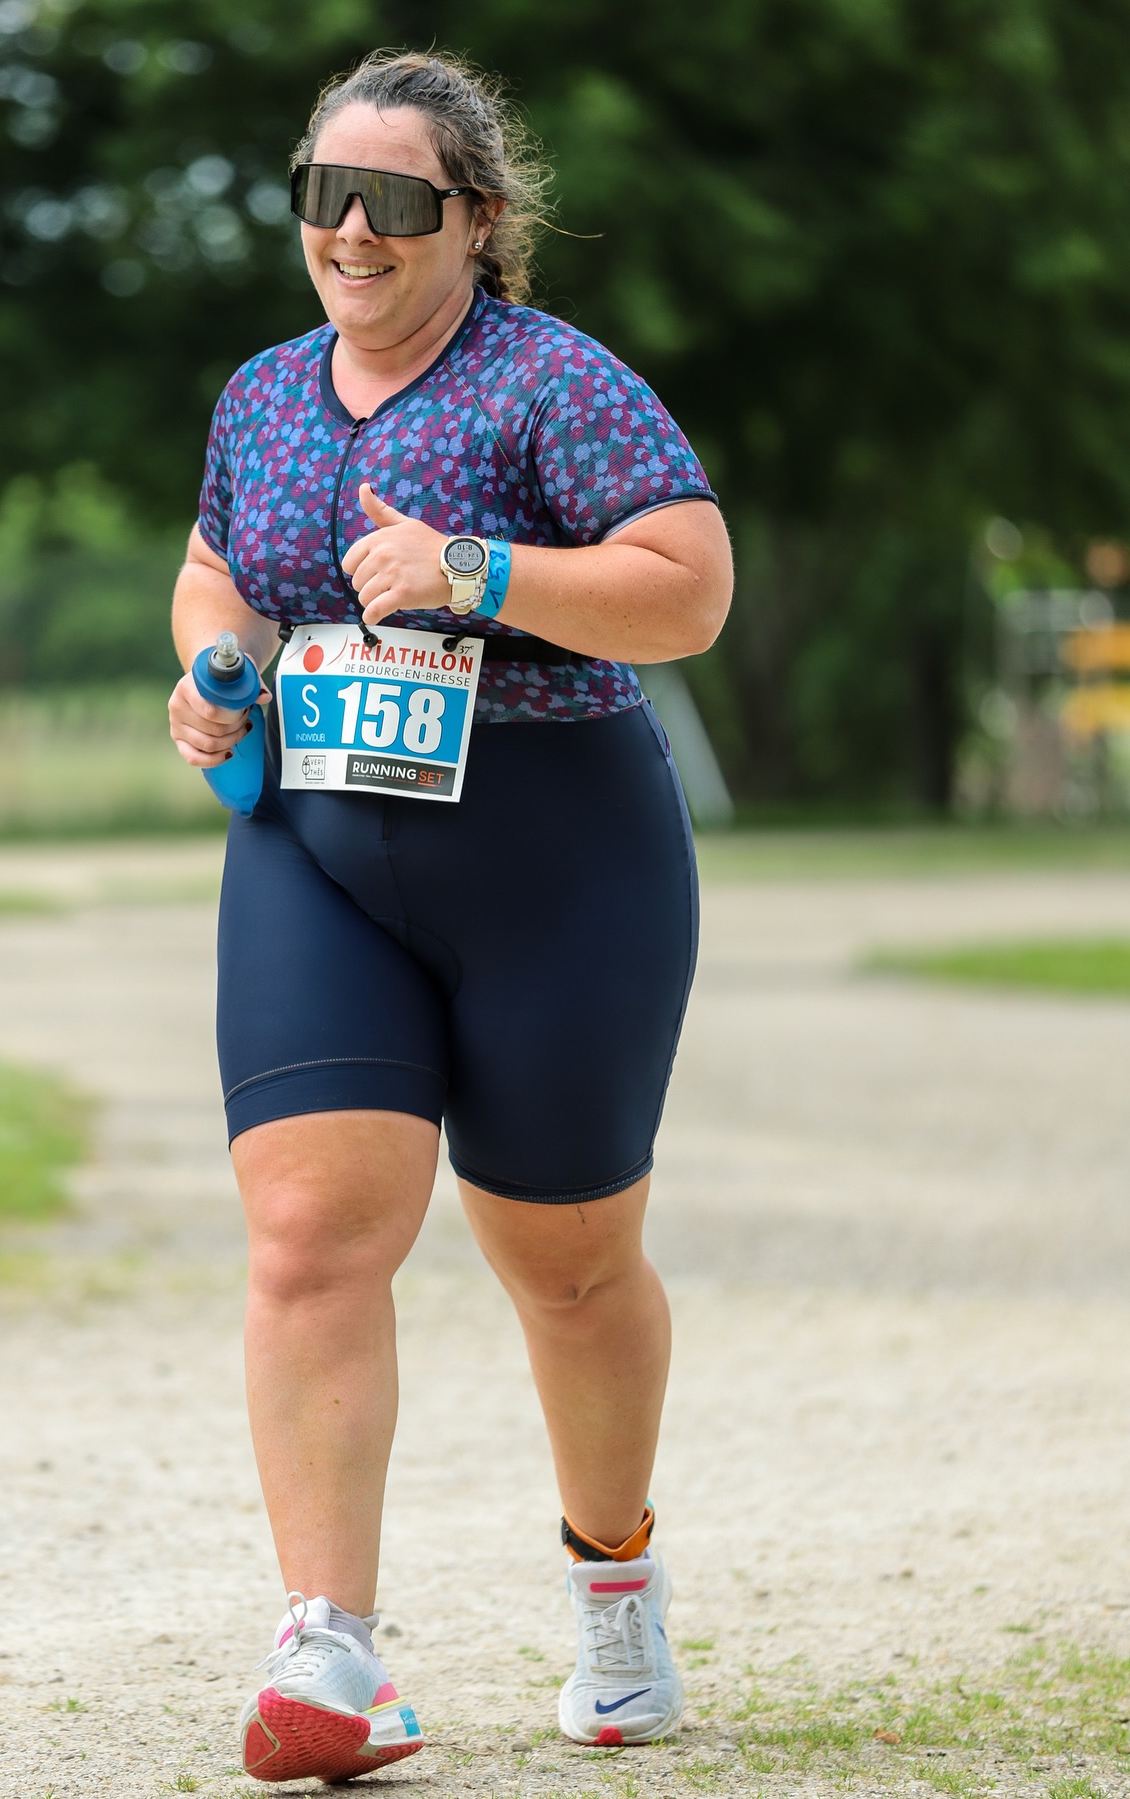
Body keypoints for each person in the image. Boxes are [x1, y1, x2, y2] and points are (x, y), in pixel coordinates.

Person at [168, 48, 733, 1785]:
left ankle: (615, 1584)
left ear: (476, 220)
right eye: (322, 194)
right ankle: (330, 1650)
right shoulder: (265, 394)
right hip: (320, 848)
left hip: (558, 862)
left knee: (567, 1265)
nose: (351, 229)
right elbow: (214, 569)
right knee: (308, 1234)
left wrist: (475, 570)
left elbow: (689, 591)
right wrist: (211, 670)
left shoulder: (556, 383)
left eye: (395, 200)